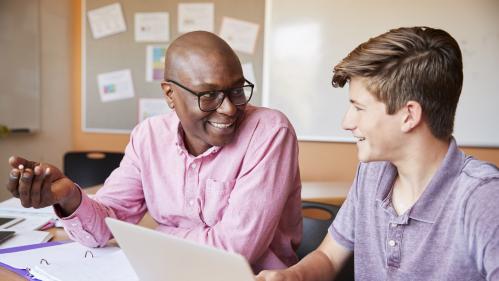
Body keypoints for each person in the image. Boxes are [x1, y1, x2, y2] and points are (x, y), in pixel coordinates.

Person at [5, 31, 302, 273]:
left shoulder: (269, 131)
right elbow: (106, 226)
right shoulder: (148, 137)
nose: (228, 108)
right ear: (170, 95)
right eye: (209, 95)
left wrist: (147, 238)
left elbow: (235, 252)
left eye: (237, 90)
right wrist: (70, 197)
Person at [257, 26, 499, 280]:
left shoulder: (483, 198)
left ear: (409, 116)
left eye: (359, 108)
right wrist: (290, 276)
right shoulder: (372, 173)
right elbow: (328, 257)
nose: (347, 122)